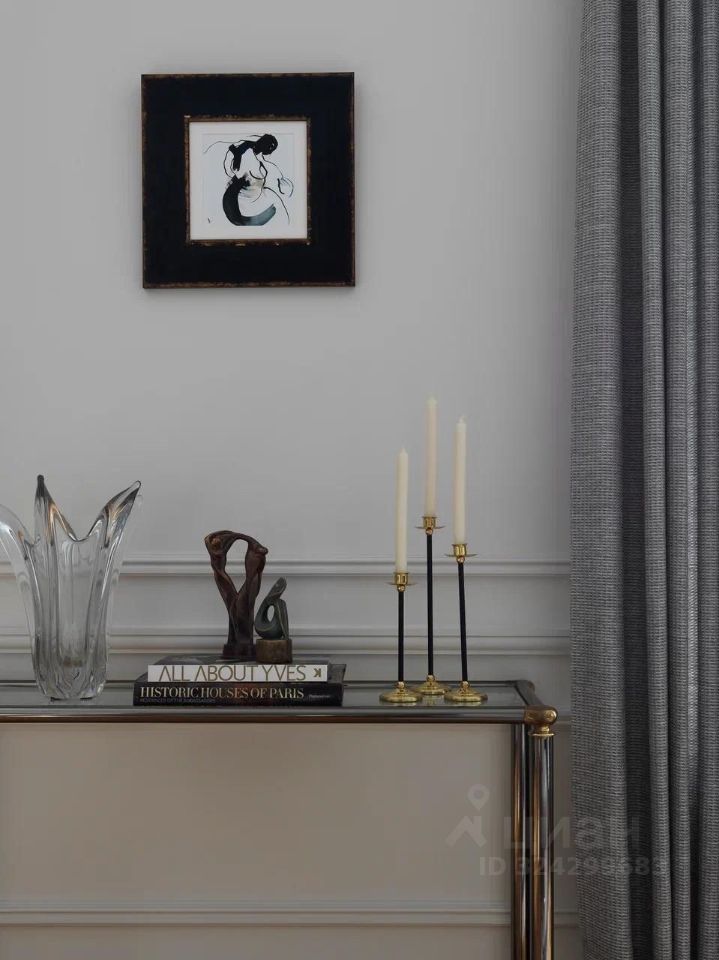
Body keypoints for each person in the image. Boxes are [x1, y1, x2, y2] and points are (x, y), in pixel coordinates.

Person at [219, 134, 294, 227]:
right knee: (277, 204)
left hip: (228, 205)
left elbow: (231, 168)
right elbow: (282, 189)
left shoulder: (244, 147)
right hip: (243, 216)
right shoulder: (261, 168)